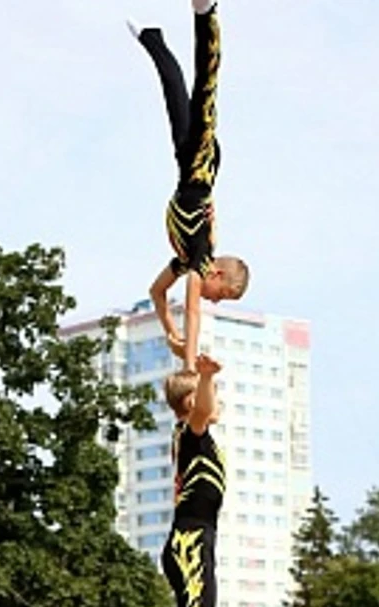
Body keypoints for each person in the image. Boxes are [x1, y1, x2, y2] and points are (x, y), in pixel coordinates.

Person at [131, 0, 249, 376]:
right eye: (222, 296)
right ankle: (206, 12)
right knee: (206, 88)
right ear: (215, 276)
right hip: (200, 168)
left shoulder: (185, 260)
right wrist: (188, 366)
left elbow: (156, 293)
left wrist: (170, 332)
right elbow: (193, 309)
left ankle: (152, 38)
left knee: (175, 95)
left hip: (188, 166)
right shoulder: (199, 258)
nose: (214, 301)